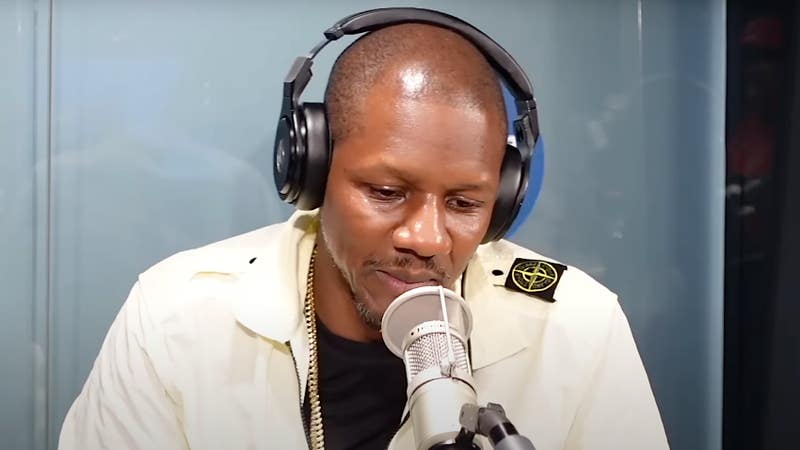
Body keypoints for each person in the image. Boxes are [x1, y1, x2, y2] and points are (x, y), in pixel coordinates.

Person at [59, 9, 669, 450]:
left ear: (504, 203)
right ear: (313, 170)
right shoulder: (175, 318)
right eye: (386, 192)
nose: (426, 239)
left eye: (464, 203)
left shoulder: (578, 330)